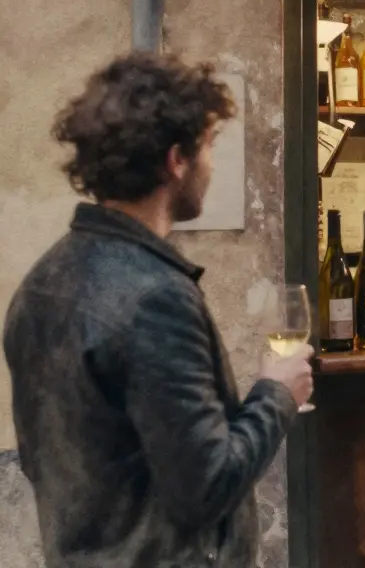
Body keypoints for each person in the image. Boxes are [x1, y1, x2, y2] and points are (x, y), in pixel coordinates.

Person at [3, 54, 314, 567]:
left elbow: (45, 463)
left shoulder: (40, 283)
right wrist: (277, 394)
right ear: (176, 161)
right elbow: (206, 487)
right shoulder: (157, 299)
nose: (211, 165)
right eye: (209, 147)